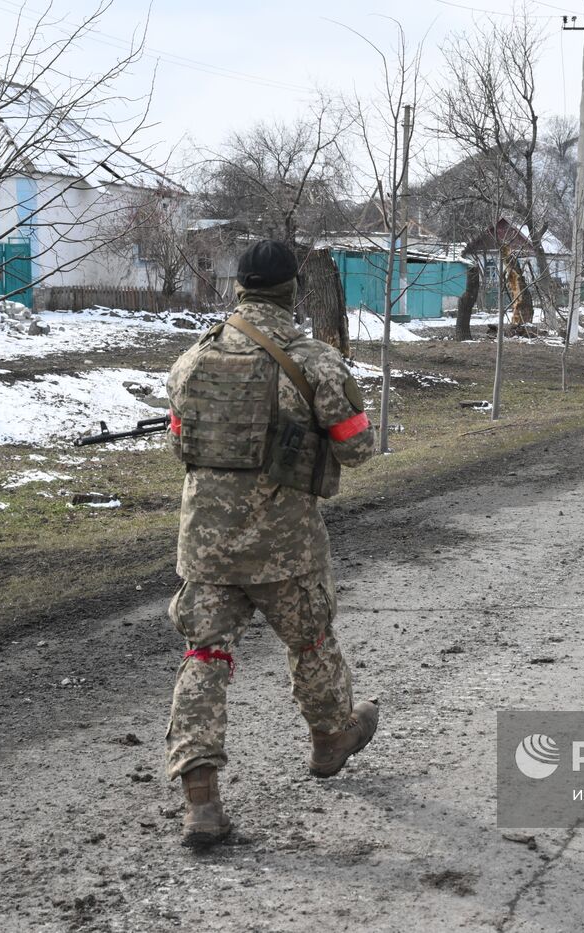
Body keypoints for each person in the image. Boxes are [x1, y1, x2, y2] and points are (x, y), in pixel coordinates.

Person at [163, 239, 379, 848]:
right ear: (291, 292)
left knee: (205, 659)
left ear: (239, 287)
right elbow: (357, 449)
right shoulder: (316, 363)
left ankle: (201, 800)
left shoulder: (191, 362)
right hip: (285, 547)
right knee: (311, 641)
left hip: (207, 547)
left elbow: (181, 445)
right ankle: (330, 740)